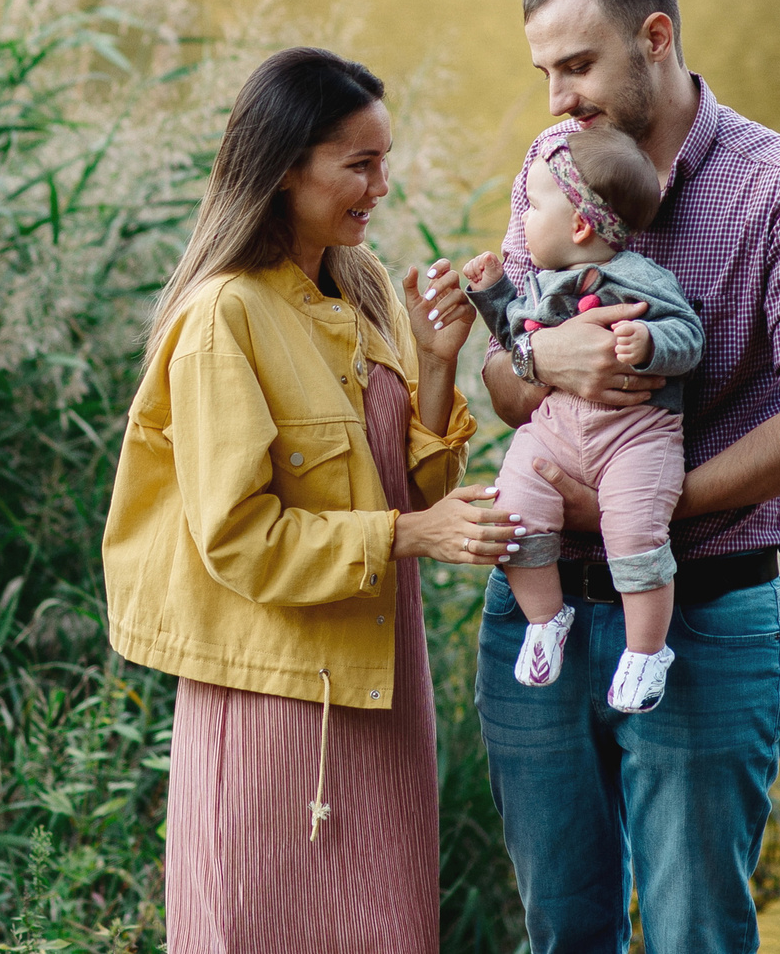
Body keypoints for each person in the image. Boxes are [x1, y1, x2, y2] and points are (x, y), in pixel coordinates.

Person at [472, 0, 780, 954]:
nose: (557, 98)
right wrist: (547, 361)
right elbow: (505, 383)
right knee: (559, 932)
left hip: (707, 613)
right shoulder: (551, 164)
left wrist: (635, 510)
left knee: (696, 931)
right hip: (540, 610)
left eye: (576, 65)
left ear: (656, 38)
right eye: (544, 74)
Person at [101, 47, 517, 954]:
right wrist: (411, 533)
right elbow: (241, 540)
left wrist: (437, 361)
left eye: (385, 159)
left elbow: (411, 490)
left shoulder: (359, 293)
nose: (381, 185)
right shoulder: (224, 318)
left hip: (379, 690)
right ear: (288, 166)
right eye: (358, 164)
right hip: (275, 703)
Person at [461, 126, 703, 712]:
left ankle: (646, 651)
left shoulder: (641, 278)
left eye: (533, 206)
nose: (521, 218)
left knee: (635, 533)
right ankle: (546, 619)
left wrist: (647, 340)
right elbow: (517, 333)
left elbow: (689, 336)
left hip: (634, 436)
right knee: (514, 514)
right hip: (557, 431)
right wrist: (492, 293)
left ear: (579, 227)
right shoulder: (542, 285)